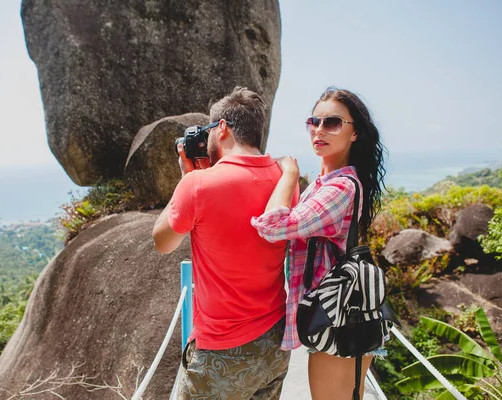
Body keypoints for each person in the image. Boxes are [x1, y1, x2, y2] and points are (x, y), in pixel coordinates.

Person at [152, 87, 298, 399]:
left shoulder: (197, 185)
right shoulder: (284, 179)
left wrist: (187, 179)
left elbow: (162, 241)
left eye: (208, 132)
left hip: (221, 352)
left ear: (222, 128)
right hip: (274, 342)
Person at [251, 87, 387, 399]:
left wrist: (289, 174)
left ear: (355, 134)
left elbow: (272, 227)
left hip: (339, 319)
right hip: (339, 314)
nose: (320, 130)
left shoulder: (340, 188)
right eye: (315, 121)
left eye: (333, 123)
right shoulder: (324, 183)